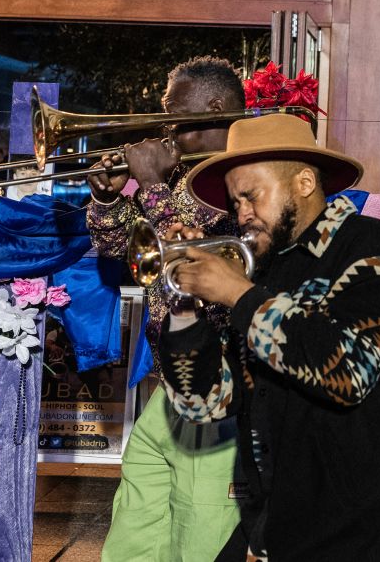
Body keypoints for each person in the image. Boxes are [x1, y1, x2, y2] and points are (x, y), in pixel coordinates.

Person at [160, 113, 380, 561]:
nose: (242, 214)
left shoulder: (369, 245)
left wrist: (238, 293)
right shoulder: (267, 270)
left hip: (362, 531)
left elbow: (348, 371)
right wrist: (185, 304)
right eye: (235, 204)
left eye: (251, 196)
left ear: (305, 183)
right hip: (280, 525)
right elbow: (204, 403)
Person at [87, 56, 246, 562]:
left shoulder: (238, 181)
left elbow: (193, 258)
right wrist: (109, 201)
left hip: (216, 384)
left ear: (216, 107)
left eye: (174, 111)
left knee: (200, 531)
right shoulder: (178, 177)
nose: (165, 124)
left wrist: (152, 187)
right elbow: (119, 250)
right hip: (167, 381)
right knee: (137, 522)